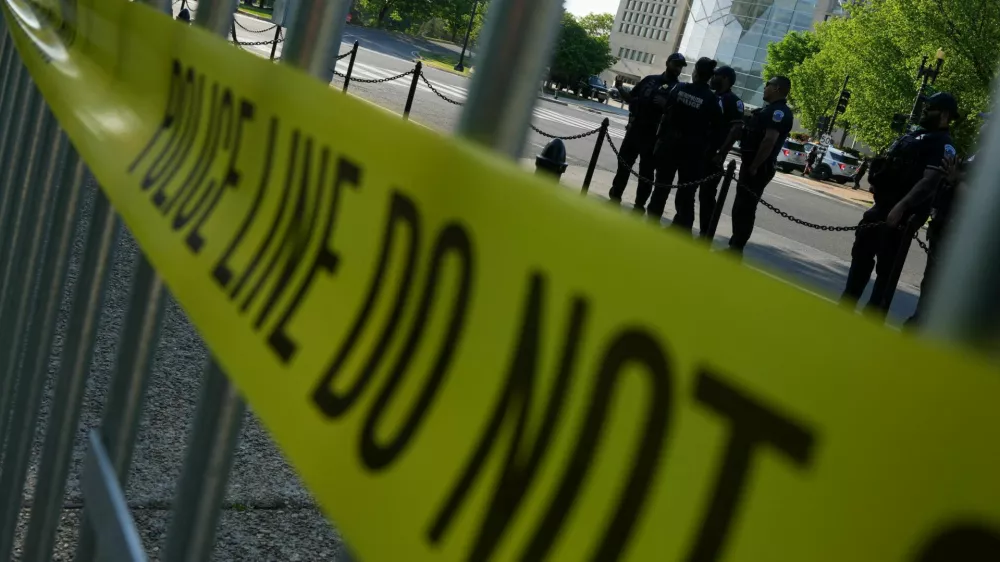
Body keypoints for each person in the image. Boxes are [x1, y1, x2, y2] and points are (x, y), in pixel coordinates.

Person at [840, 92, 960, 316]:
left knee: (886, 272)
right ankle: (847, 305)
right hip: (882, 207)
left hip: (903, 216)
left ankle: (872, 319)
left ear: (944, 114)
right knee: (861, 256)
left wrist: (902, 206)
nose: (924, 110)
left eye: (930, 107)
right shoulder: (916, 135)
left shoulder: (943, 145)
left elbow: (929, 182)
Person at [646, 57, 723, 228]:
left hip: (670, 145)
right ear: (709, 77)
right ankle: (681, 228)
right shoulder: (712, 100)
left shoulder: (679, 88)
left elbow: (667, 111)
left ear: (695, 72)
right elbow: (718, 129)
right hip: (693, 151)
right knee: (687, 193)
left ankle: (651, 223)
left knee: (661, 187)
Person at [609, 53, 687, 211]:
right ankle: (615, 196)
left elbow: (679, 116)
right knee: (623, 164)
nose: (678, 68)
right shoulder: (649, 80)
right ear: (667, 62)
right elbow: (631, 98)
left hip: (654, 135)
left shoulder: (678, 89)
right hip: (636, 129)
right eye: (675, 64)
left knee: (646, 172)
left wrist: (666, 105)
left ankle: (639, 205)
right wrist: (619, 88)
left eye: (680, 66)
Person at [728, 76, 794, 253]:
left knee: (745, 207)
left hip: (759, 167)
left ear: (777, 89)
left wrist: (755, 166)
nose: (765, 87)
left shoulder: (778, 112)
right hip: (754, 164)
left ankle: (736, 248)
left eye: (768, 85)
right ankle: (735, 243)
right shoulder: (769, 110)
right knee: (741, 205)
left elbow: (769, 140)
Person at [705, 65, 745, 238]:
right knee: (687, 192)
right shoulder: (712, 96)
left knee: (706, 197)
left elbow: (736, 129)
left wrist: (721, 153)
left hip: (713, 154)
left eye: (716, 75)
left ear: (726, 79)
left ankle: (706, 233)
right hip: (699, 150)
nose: (713, 78)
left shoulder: (733, 101)